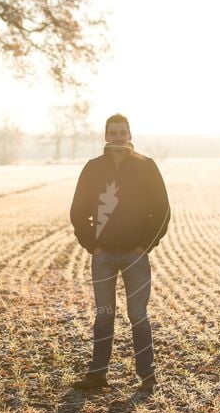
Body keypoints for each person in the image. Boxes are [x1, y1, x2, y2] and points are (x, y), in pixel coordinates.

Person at [69, 113, 171, 393]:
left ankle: (147, 376)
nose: (117, 137)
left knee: (138, 314)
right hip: (103, 256)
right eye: (112, 132)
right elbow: (78, 212)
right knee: (104, 314)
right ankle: (98, 375)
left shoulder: (146, 166)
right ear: (106, 136)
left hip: (136, 256)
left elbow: (162, 211)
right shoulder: (93, 168)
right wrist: (94, 245)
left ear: (129, 135)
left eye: (121, 132)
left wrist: (144, 246)